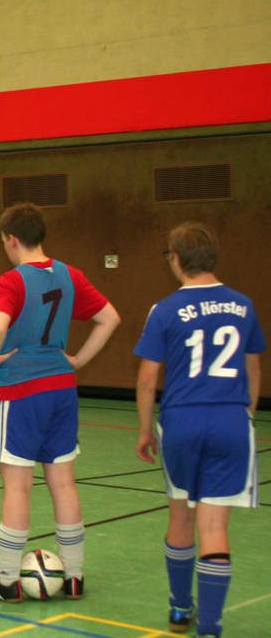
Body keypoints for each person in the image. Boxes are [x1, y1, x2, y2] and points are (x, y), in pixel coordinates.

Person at [0, 202, 120, 603]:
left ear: (12, 239)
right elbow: (110, 318)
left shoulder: (12, 280)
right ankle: (73, 576)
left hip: (21, 388)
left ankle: (6, 581)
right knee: (63, 482)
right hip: (61, 386)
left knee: (18, 488)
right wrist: (77, 360)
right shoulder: (70, 275)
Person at [133, 223, 263, 637]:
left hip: (182, 421)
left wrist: (143, 430)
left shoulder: (166, 309)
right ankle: (210, 626)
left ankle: (178, 610)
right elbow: (253, 364)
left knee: (182, 517)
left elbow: (147, 379)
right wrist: (247, 413)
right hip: (231, 420)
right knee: (214, 527)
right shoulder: (243, 306)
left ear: (176, 259)